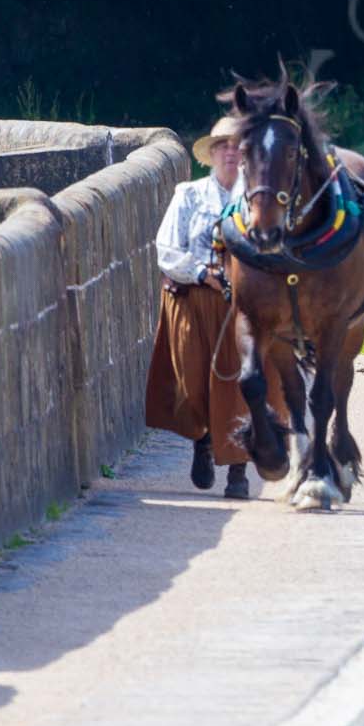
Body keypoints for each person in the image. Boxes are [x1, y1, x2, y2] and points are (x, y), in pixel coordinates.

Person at [143, 115, 284, 499]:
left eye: (237, 146)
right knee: (194, 386)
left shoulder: (256, 199)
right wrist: (200, 272)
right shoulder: (187, 195)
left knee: (241, 385)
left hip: (241, 305)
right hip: (194, 302)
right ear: (211, 155)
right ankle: (202, 440)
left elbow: (273, 245)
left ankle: (238, 471)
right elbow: (168, 250)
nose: (230, 152)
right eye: (222, 146)